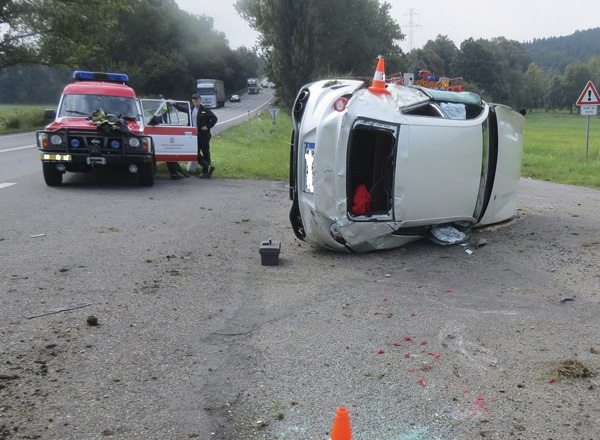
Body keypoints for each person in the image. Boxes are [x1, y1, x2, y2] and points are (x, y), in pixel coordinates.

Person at [174, 94, 218, 178]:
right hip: (193, 136)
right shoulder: (190, 108)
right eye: (193, 99)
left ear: (200, 100)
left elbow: (214, 118)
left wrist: (207, 126)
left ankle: (206, 173)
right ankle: (207, 166)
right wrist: (173, 104)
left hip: (204, 135)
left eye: (197, 99)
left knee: (206, 153)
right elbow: (181, 108)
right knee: (194, 152)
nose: (195, 101)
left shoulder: (204, 109)